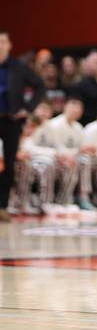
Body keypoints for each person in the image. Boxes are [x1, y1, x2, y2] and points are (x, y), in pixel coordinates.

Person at [0, 30, 44, 222]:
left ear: (9, 45)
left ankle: (2, 206)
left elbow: (40, 86)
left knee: (9, 164)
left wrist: (27, 108)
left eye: (3, 42)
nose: (0, 45)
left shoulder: (18, 67)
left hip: (11, 120)